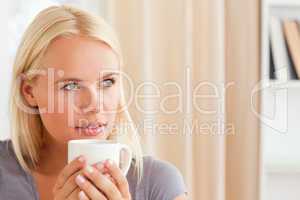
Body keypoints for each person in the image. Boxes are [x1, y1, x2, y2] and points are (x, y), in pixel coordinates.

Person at [0, 5, 187, 200]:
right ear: (29, 92)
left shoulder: (158, 184)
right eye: (71, 86)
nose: (94, 105)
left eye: (107, 82)